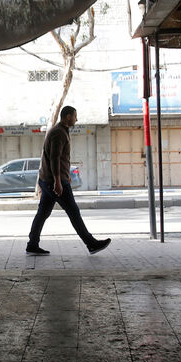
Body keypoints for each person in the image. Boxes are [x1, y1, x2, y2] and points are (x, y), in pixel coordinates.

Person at [26, 105, 111, 255]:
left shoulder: (60, 131)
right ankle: (91, 243)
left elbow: (61, 158)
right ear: (67, 117)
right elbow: (54, 158)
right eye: (75, 116)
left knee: (43, 213)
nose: (76, 119)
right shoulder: (59, 133)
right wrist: (58, 181)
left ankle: (32, 244)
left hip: (47, 179)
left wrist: (66, 175)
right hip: (53, 181)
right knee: (73, 211)